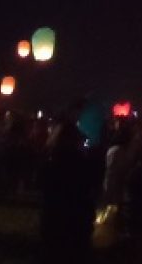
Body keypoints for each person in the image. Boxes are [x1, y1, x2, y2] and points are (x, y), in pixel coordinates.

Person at [39, 106, 100, 263]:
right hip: (75, 216)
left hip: (54, 216)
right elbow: (88, 185)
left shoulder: (50, 159)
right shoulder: (79, 162)